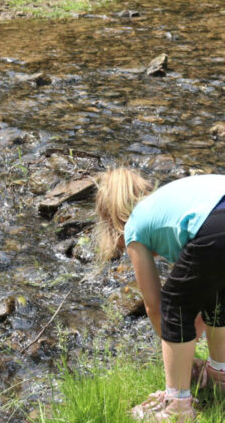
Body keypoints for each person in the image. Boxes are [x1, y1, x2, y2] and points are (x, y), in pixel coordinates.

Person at [95, 167, 225, 422]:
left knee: (173, 303)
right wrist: (186, 345)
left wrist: (180, 353)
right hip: (217, 212)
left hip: (216, 224)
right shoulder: (167, 202)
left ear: (110, 218)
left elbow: (156, 308)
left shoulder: (135, 224)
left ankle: (177, 407)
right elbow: (200, 296)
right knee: (218, 296)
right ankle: (219, 377)